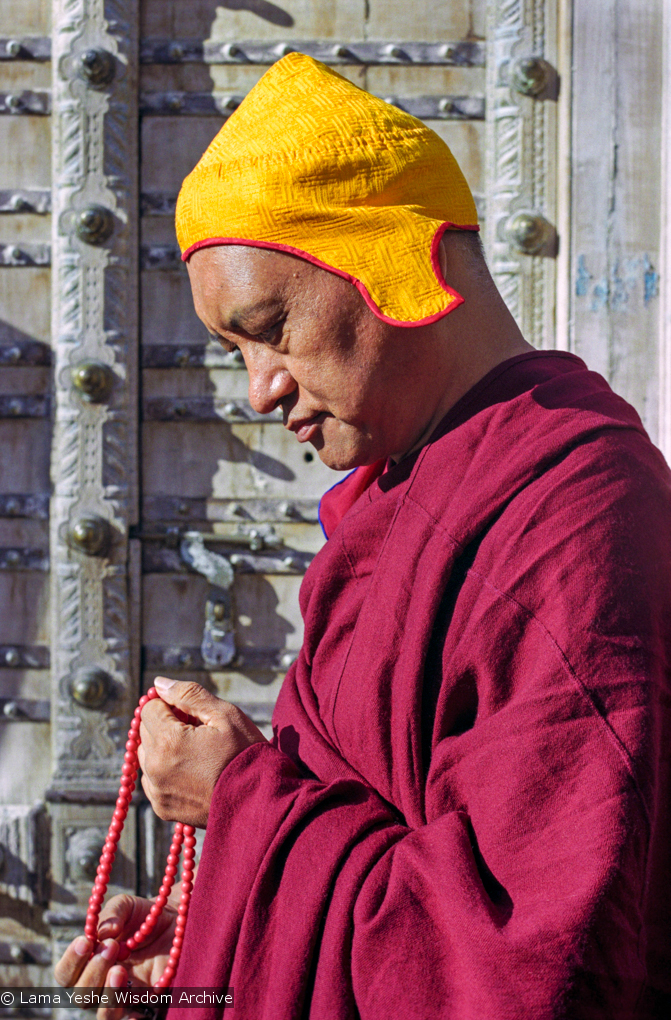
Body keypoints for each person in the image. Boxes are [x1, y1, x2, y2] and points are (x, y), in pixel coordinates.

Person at [55, 54, 671, 1018]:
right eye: (234, 351)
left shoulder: (573, 516)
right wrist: (219, 930)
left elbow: (529, 963)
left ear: (386, 255)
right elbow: (368, 833)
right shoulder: (404, 489)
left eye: (271, 327)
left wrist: (239, 801)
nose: (260, 389)